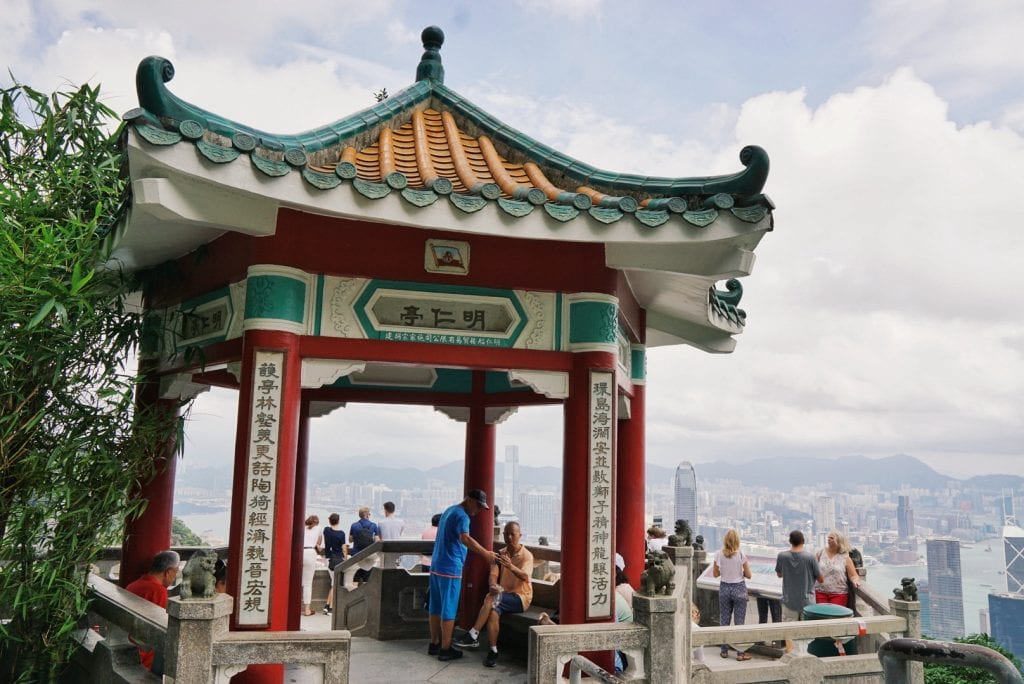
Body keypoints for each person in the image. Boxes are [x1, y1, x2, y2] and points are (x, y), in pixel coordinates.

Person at [427, 489, 496, 662]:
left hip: (436, 565)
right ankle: (445, 649)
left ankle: (434, 644)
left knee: (434, 607)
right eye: (479, 506)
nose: (479, 510)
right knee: (448, 611)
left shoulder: (449, 510)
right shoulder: (463, 516)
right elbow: (465, 538)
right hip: (450, 568)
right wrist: (486, 553)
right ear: (470, 500)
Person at [453, 521, 533, 668]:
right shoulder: (501, 554)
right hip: (503, 596)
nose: (509, 537)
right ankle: (493, 651)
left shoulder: (526, 556)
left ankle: (473, 633)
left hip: (521, 598)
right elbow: (493, 575)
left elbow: (526, 577)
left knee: (491, 598)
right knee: (493, 613)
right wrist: (492, 585)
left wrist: (510, 566)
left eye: (512, 534)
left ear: (519, 536)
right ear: (502, 535)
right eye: (506, 534)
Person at [125, 550, 180, 673]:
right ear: (169, 572)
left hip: (125, 644)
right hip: (143, 654)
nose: (175, 577)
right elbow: (161, 629)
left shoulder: (133, 585)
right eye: (175, 573)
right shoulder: (159, 592)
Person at [775, 530, 823, 654]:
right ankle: (805, 655)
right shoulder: (810, 557)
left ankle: (791, 655)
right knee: (807, 632)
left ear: (790, 541)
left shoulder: (782, 556)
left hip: (789, 599)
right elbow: (821, 579)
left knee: (789, 630)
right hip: (807, 601)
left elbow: (779, 574)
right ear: (803, 541)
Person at [713, 529, 752, 660]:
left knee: (724, 620)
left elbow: (715, 574)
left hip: (724, 588)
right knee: (739, 622)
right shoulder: (741, 554)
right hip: (739, 588)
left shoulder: (719, 554)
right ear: (737, 540)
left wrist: (726, 570)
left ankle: (724, 651)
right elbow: (749, 575)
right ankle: (740, 653)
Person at [814, 529, 861, 607]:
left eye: (832, 538)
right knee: (822, 616)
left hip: (839, 594)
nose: (828, 539)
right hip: (820, 592)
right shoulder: (820, 553)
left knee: (836, 617)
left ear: (839, 541)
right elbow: (813, 570)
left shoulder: (845, 557)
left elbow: (853, 575)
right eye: (828, 537)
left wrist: (855, 580)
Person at [322, 513, 347, 615]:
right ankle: (331, 608)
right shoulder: (341, 534)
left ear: (329, 521)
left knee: (333, 583)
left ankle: (327, 605)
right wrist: (345, 558)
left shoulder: (326, 530)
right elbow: (344, 548)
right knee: (335, 584)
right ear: (339, 521)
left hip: (329, 559)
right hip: (337, 560)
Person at [349, 506, 381, 584]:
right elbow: (377, 541)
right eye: (369, 514)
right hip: (368, 555)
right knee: (367, 579)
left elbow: (350, 540)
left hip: (356, 555)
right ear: (367, 515)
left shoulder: (354, 525)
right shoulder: (373, 525)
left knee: (355, 579)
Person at [300, 515, 322, 616]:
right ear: (316, 522)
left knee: (297, 582)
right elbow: (319, 544)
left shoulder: (302, 528)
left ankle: (294, 607)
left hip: (300, 552)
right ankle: (307, 610)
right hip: (310, 553)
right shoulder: (318, 528)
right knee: (307, 583)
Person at [378, 501, 405, 568]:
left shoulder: (381, 523)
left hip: (385, 550)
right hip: (397, 549)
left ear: (385, 510)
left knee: (385, 568)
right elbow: (400, 533)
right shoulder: (401, 522)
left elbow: (380, 537)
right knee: (396, 568)